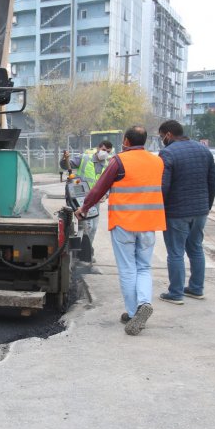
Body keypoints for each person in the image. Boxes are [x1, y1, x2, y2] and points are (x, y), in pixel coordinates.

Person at [75, 127, 165, 336]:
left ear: (125, 140)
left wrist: (84, 208)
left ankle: (134, 313)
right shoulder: (158, 161)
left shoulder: (119, 161)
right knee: (143, 267)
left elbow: (99, 188)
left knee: (127, 269)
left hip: (124, 223)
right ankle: (144, 303)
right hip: (149, 223)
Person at [156, 120, 215, 304]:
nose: (162, 140)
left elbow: (164, 186)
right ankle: (196, 289)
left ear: (168, 134)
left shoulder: (167, 153)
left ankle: (175, 293)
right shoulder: (203, 150)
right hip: (200, 211)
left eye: (161, 137)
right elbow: (213, 180)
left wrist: (161, 208)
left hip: (176, 213)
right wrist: (207, 206)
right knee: (196, 248)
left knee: (176, 252)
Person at [61, 140, 114, 247]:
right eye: (104, 150)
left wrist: (106, 194)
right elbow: (67, 166)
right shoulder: (84, 158)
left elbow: (109, 183)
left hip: (96, 201)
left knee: (93, 228)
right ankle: (84, 255)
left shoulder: (108, 165)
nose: (105, 153)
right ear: (98, 148)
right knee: (86, 226)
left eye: (108, 152)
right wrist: (64, 159)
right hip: (82, 200)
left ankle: (88, 252)